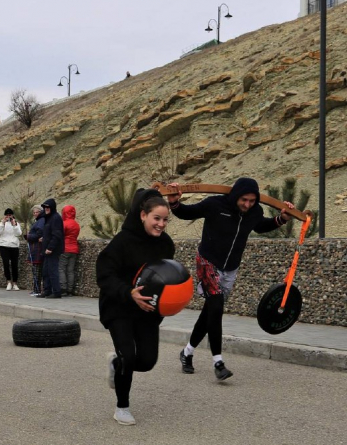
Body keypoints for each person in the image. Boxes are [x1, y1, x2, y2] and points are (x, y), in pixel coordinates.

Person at [167, 178, 295, 381]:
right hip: (208, 261)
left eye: (252, 200)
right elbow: (186, 213)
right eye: (244, 200)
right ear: (236, 195)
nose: (247, 204)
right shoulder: (214, 205)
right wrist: (174, 202)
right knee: (216, 306)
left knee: (210, 310)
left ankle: (187, 352)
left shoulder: (254, 212)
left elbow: (260, 226)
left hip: (230, 269)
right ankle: (218, 362)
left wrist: (282, 218)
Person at [97, 188, 175, 426]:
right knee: (128, 355)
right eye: (156, 218)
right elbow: (104, 274)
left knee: (147, 361)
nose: (161, 224)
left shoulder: (166, 245)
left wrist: (171, 299)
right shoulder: (122, 242)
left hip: (147, 311)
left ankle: (117, 364)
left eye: (165, 220)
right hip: (118, 306)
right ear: (143, 215)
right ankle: (122, 407)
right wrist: (128, 292)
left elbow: (166, 276)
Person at [39, 198, 64, 299]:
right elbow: (50, 233)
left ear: (52, 207)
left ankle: (57, 292)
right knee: (46, 271)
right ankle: (47, 290)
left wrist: (50, 247)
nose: (46, 209)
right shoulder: (49, 217)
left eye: (48, 207)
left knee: (53, 271)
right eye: (45, 207)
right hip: (47, 249)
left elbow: (57, 235)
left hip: (52, 250)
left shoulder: (55, 218)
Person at [0, 208, 22, 290]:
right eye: (7, 215)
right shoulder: (2, 223)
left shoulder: (16, 223)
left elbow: (18, 233)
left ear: (12, 215)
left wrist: (14, 225)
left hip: (14, 245)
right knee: (6, 263)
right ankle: (8, 281)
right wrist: (2, 223)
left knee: (15, 264)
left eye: (10, 215)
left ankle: (15, 283)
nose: (8, 217)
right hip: (4, 245)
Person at [60, 205, 81, 296]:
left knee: (61, 268)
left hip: (65, 248)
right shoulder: (76, 224)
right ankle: (70, 289)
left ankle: (63, 288)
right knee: (70, 270)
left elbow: (61, 235)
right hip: (74, 249)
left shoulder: (64, 223)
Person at [26, 206, 45, 296]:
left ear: (40, 212)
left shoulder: (40, 222)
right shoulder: (39, 221)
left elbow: (39, 233)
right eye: (33, 213)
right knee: (37, 270)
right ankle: (36, 289)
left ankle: (37, 289)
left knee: (37, 271)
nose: (35, 214)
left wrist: (29, 236)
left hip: (37, 250)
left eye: (36, 212)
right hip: (36, 248)